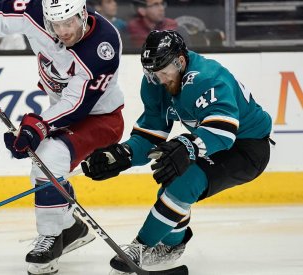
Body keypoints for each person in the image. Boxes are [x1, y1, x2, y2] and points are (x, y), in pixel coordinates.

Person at [0, 0, 125, 274]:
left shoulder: (104, 45)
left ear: (83, 14)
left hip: (102, 118)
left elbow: (77, 105)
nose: (62, 31)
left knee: (47, 156)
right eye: (56, 24)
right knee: (44, 163)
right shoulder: (36, 11)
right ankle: (70, 227)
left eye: (69, 23)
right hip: (63, 112)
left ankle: (51, 237)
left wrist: (37, 127)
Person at [81, 30, 273, 274]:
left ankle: (139, 248)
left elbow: (224, 132)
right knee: (172, 184)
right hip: (213, 140)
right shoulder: (155, 80)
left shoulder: (207, 77)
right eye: (152, 73)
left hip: (247, 148)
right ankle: (172, 246)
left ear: (180, 61)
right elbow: (151, 134)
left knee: (184, 182)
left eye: (163, 73)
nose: (159, 80)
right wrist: (122, 155)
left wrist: (187, 145)